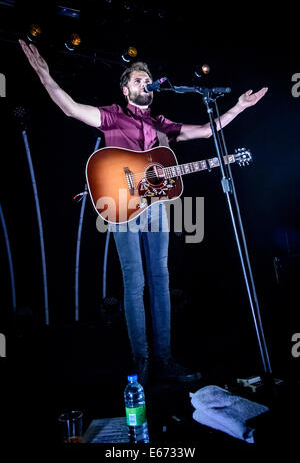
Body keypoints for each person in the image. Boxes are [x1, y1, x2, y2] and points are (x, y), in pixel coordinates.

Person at [19, 39, 268, 386]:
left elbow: (208, 131)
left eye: (146, 79)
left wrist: (239, 107)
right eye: (137, 79)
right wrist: (44, 76)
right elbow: (72, 109)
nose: (143, 83)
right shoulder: (112, 115)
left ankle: (165, 359)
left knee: (161, 281)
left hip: (157, 208)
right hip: (121, 207)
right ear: (125, 89)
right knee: (134, 284)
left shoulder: (161, 124)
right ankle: (143, 361)